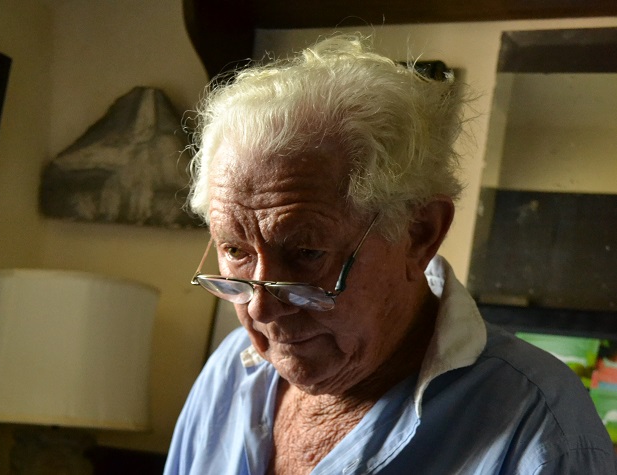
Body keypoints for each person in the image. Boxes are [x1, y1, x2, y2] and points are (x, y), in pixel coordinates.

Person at [164, 35, 616, 474]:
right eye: (235, 250)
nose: (260, 309)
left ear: (420, 233)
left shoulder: (542, 434)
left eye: (306, 252)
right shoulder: (232, 369)